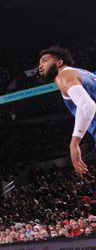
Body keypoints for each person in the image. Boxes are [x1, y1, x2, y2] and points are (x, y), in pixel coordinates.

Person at [37, 47, 96, 175]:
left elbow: (87, 105)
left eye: (44, 61)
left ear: (59, 63)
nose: (40, 66)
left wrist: (74, 143)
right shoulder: (86, 73)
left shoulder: (63, 75)